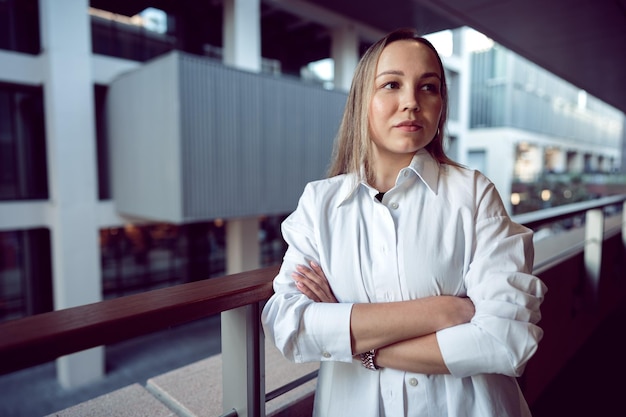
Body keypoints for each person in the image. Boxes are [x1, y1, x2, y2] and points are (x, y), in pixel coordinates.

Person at [261, 28, 547, 417]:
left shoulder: (475, 194)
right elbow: (289, 325)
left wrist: (360, 345)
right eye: (392, 84)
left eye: (428, 87)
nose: (411, 102)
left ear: (441, 104)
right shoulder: (319, 203)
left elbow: (506, 340)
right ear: (364, 99)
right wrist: (442, 312)